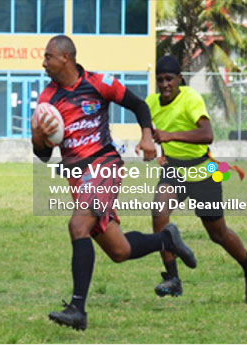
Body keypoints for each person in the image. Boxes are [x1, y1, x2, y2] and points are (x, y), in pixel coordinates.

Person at [32, 35, 197, 331]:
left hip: (103, 165)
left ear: (65, 58)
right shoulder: (47, 100)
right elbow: (43, 155)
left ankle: (77, 310)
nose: (44, 63)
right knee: (119, 251)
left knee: (77, 226)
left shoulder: (98, 82)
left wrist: (147, 136)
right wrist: (38, 138)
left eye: (48, 57)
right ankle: (167, 239)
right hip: (78, 178)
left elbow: (137, 105)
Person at [146, 55, 247, 304]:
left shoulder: (191, 98)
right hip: (174, 168)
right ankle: (173, 279)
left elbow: (207, 134)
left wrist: (170, 136)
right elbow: (145, 125)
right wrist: (146, 143)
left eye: (169, 79)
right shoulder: (151, 102)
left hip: (201, 170)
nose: (164, 85)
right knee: (158, 213)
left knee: (217, 234)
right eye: (160, 80)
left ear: (180, 79)